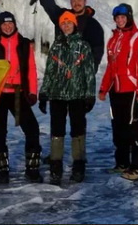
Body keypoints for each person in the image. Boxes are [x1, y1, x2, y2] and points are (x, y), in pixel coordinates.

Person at [0, 11, 43, 184]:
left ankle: (32, 169)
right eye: (4, 24)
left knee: (32, 129)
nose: (7, 26)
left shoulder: (24, 44)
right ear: (0, 26)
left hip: (18, 93)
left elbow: (31, 69)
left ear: (14, 24)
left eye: (10, 23)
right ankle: (2, 170)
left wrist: (32, 91)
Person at [39, 11, 96, 185]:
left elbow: (89, 72)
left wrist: (90, 94)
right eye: (63, 23)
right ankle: (56, 167)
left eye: (69, 23)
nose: (66, 26)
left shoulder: (83, 46)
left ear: (74, 25)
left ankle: (79, 166)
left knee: (78, 130)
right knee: (57, 131)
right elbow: (49, 71)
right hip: (57, 96)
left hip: (77, 95)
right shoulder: (56, 46)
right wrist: (44, 93)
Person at [99, 3, 138, 181]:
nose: (120, 21)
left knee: (133, 128)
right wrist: (104, 88)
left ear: (129, 18)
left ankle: (137, 166)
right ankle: (122, 163)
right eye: (117, 18)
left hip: (131, 89)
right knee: (118, 128)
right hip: (115, 89)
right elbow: (110, 68)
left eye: (123, 17)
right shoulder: (113, 40)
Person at [31, 0, 105, 71]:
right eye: (74, 1)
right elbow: (48, 3)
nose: (76, 3)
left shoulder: (93, 25)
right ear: (70, 2)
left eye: (79, 0)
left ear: (85, 1)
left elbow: (97, 51)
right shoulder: (62, 16)